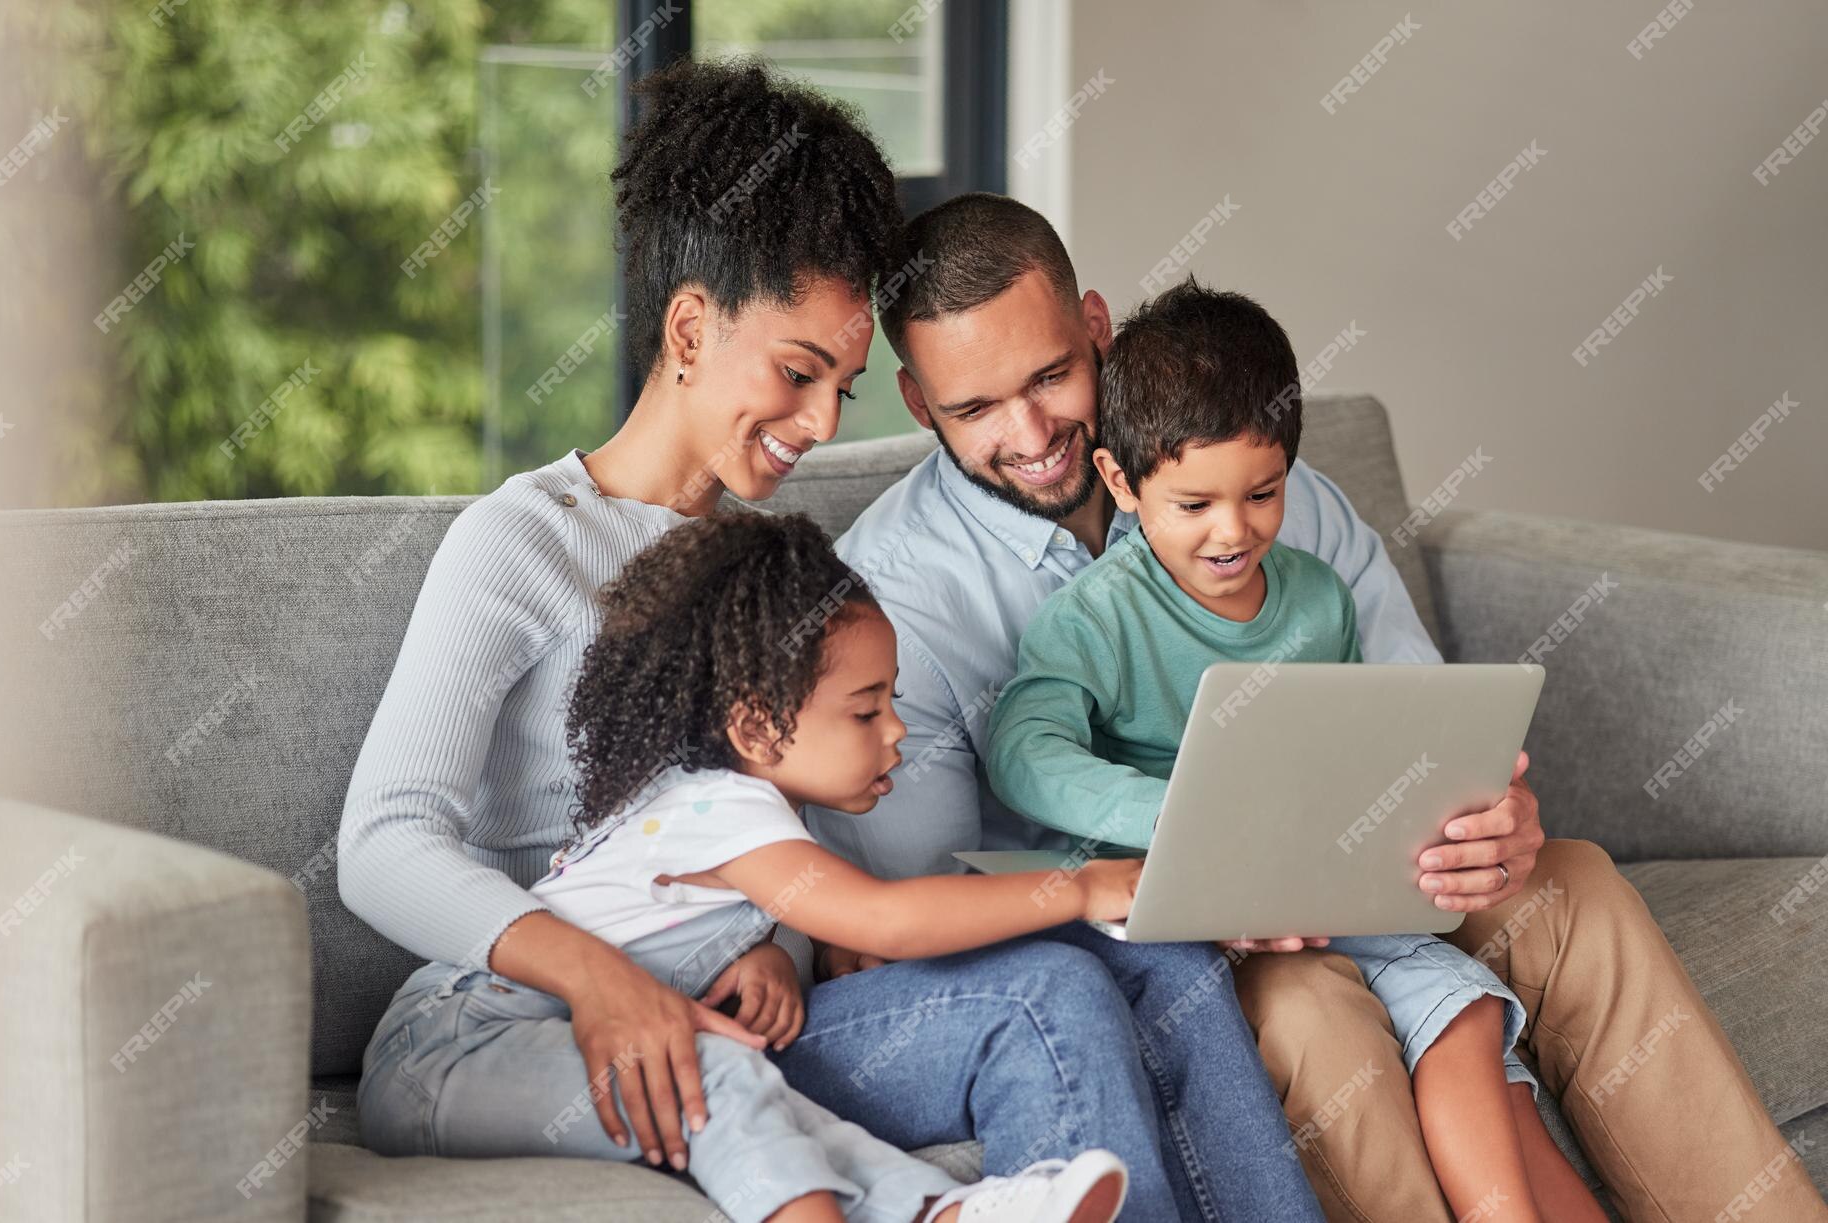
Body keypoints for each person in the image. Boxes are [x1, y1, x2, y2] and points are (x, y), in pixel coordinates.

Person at [340, 59, 1289, 1223]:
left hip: (742, 1012)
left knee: (1151, 964)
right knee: (1045, 987)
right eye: (796, 373)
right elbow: (384, 840)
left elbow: (778, 846)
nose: (822, 423)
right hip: (538, 1017)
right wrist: (597, 979)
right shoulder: (522, 543)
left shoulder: (775, 578)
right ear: (689, 326)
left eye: (843, 385)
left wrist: (778, 953)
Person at [819, 189, 1827, 1222]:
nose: (1029, 433)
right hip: (1165, 937)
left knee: (1574, 886)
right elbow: (932, 895)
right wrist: (1200, 866)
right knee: (1314, 1021)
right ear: (913, 399)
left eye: (1048, 376)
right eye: (972, 408)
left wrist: (1481, 811)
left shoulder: (1275, 506)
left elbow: (1415, 714)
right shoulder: (889, 597)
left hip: (1356, 870)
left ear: (1094, 326)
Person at [984, 280, 1606, 1223]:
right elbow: (1024, 752)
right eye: (1193, 503)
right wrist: (1186, 817)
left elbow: (1359, 738)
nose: (1233, 531)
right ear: (1120, 482)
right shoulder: (1096, 617)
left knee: (1474, 1016)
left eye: (1262, 494)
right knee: (1381, 1035)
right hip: (1212, 914)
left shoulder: (1319, 598)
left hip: (1337, 888)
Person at [374, 510, 1139, 1223]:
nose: (899, 730)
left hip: (508, 1044)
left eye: (893, 701)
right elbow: (886, 919)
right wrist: (1078, 886)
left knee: (784, 1108)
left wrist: (771, 952)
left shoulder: (737, 814)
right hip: (455, 1047)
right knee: (714, 1073)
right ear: (756, 726)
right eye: (867, 709)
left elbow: (702, 922)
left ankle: (937, 1209)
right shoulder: (721, 810)